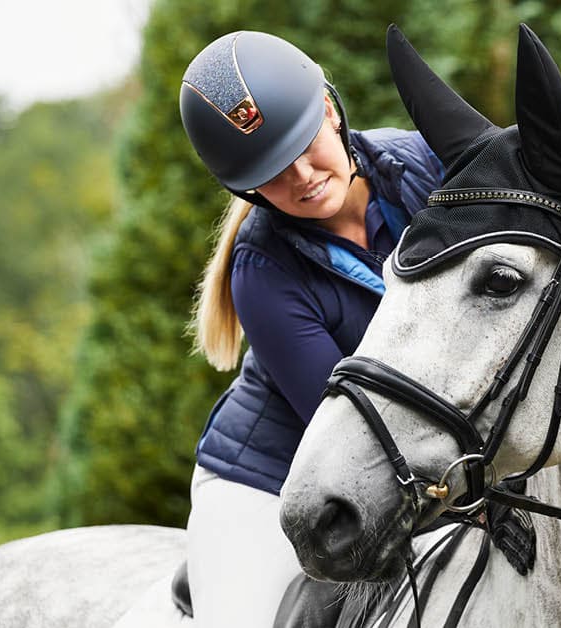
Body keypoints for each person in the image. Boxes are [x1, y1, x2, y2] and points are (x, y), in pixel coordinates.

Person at [178, 30, 443, 626]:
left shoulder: (428, 167)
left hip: (425, 452)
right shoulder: (260, 270)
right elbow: (358, 426)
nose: (302, 177)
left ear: (329, 110)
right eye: (273, 172)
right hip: (270, 481)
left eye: (305, 146)